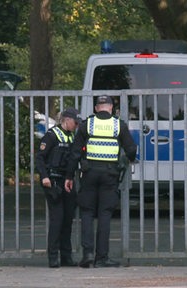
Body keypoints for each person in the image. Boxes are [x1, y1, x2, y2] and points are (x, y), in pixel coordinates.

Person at [64, 96, 137, 268]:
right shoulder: (119, 125)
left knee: (87, 213)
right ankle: (102, 257)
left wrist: (69, 176)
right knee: (105, 214)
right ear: (111, 108)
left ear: (97, 108)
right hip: (110, 175)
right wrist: (129, 159)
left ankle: (87, 254)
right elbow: (131, 149)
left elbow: (75, 153)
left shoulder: (86, 125)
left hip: (89, 174)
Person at [36, 107, 81, 268]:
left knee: (68, 219)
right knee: (57, 219)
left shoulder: (72, 136)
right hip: (53, 181)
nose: (76, 126)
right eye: (75, 122)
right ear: (66, 120)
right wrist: (44, 177)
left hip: (67, 180)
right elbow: (40, 158)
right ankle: (53, 256)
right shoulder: (51, 135)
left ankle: (66, 257)